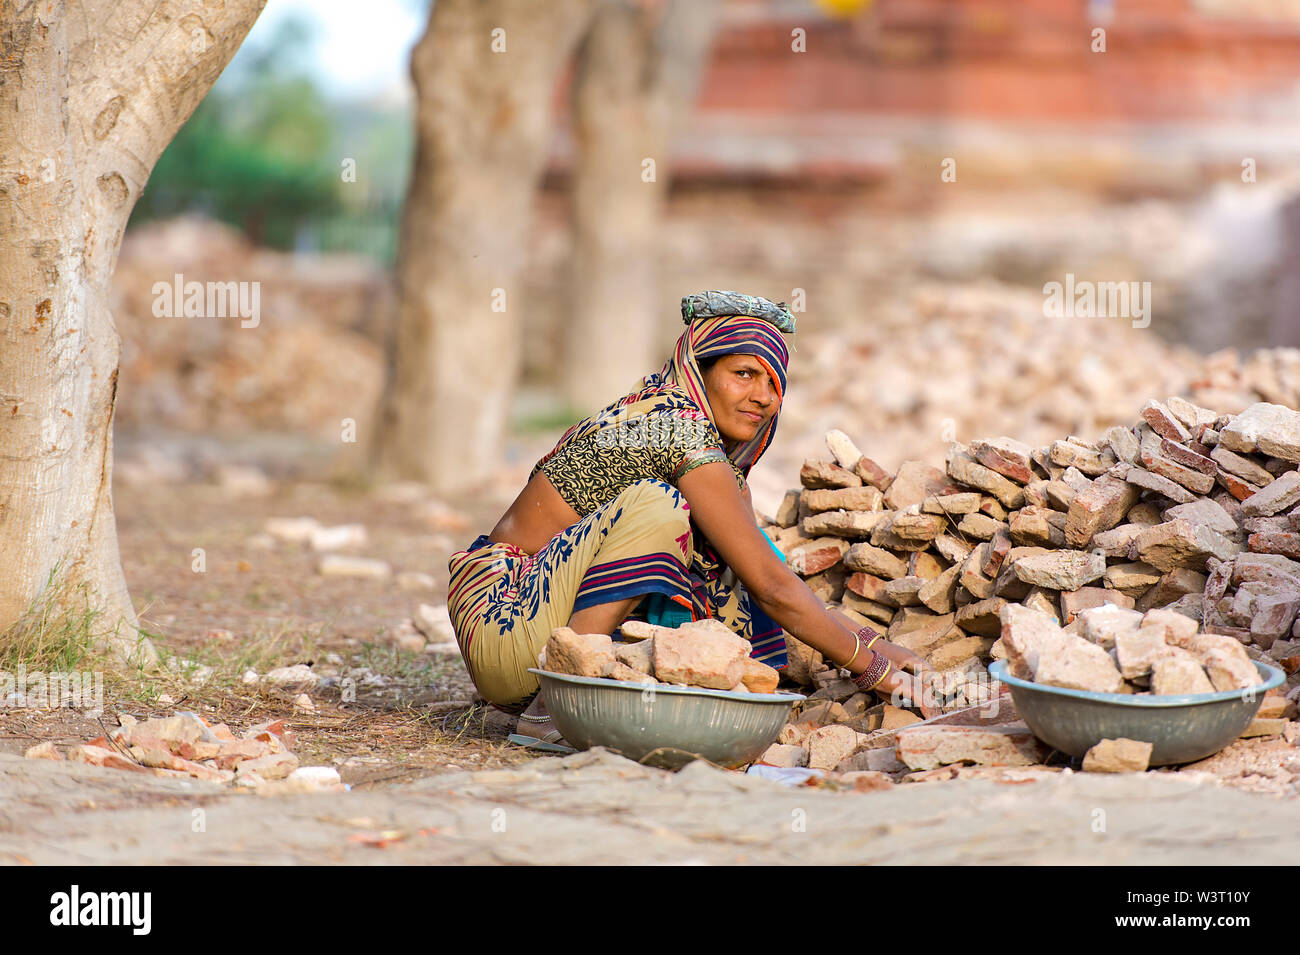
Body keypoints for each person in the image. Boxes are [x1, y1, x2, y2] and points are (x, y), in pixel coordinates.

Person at [448, 291, 935, 743]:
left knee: (719, 555)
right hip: (503, 618)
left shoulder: (717, 466)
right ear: (698, 373)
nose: (763, 396)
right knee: (659, 507)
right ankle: (553, 707)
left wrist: (869, 640)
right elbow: (771, 588)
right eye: (743, 373)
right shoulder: (674, 427)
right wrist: (872, 669)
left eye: (773, 381)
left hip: (533, 631)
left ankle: (573, 687)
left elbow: (764, 571)